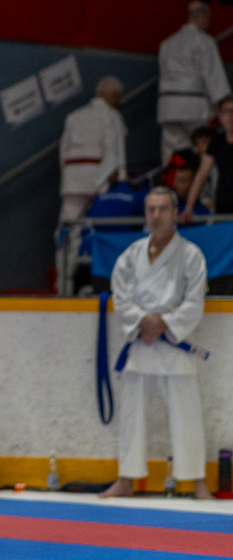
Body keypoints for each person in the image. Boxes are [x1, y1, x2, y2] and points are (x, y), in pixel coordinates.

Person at [100, 187, 211, 501]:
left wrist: (164, 324)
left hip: (174, 342)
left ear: (175, 212)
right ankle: (126, 479)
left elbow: (194, 302)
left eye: (163, 209)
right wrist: (142, 321)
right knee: (131, 414)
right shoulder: (131, 255)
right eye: (151, 209)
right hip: (141, 342)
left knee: (187, 414)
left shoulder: (190, 255)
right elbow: (120, 295)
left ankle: (198, 482)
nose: (156, 215)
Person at [157, 0, 230, 165]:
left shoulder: (167, 43)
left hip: (168, 107)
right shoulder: (204, 41)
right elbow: (213, 75)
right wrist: (222, 103)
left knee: (172, 152)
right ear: (203, 17)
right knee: (205, 146)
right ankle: (203, 180)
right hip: (194, 106)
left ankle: (170, 179)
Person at [58, 76, 128, 225]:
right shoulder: (112, 115)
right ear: (113, 95)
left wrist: (67, 175)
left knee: (68, 224)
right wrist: (121, 178)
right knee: (98, 224)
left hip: (72, 179)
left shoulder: (73, 117)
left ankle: (66, 242)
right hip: (100, 178)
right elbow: (115, 150)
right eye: (119, 97)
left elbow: (63, 151)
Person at [179, 96, 233, 223]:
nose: (231, 116)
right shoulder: (217, 141)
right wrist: (188, 208)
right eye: (227, 111)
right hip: (223, 209)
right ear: (220, 116)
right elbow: (201, 175)